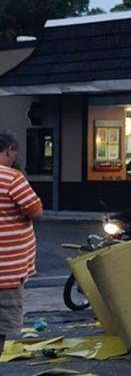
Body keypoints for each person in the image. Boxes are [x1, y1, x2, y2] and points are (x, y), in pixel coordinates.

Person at [0, 131, 43, 353]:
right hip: (6, 273)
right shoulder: (12, 178)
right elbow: (35, 211)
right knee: (2, 329)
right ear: (9, 151)